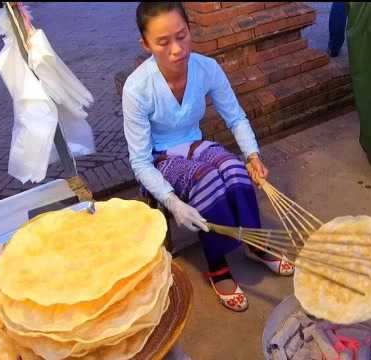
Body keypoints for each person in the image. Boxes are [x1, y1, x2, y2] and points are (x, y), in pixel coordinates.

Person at [123, 2, 294, 312]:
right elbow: (139, 161)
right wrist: (172, 202)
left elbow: (236, 118)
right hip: (158, 157)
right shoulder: (137, 88)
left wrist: (252, 154)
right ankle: (217, 265)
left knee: (234, 169)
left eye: (182, 36)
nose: (177, 49)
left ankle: (254, 244)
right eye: (163, 42)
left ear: (190, 30)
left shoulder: (206, 68)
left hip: (193, 142)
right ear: (145, 44)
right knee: (206, 181)